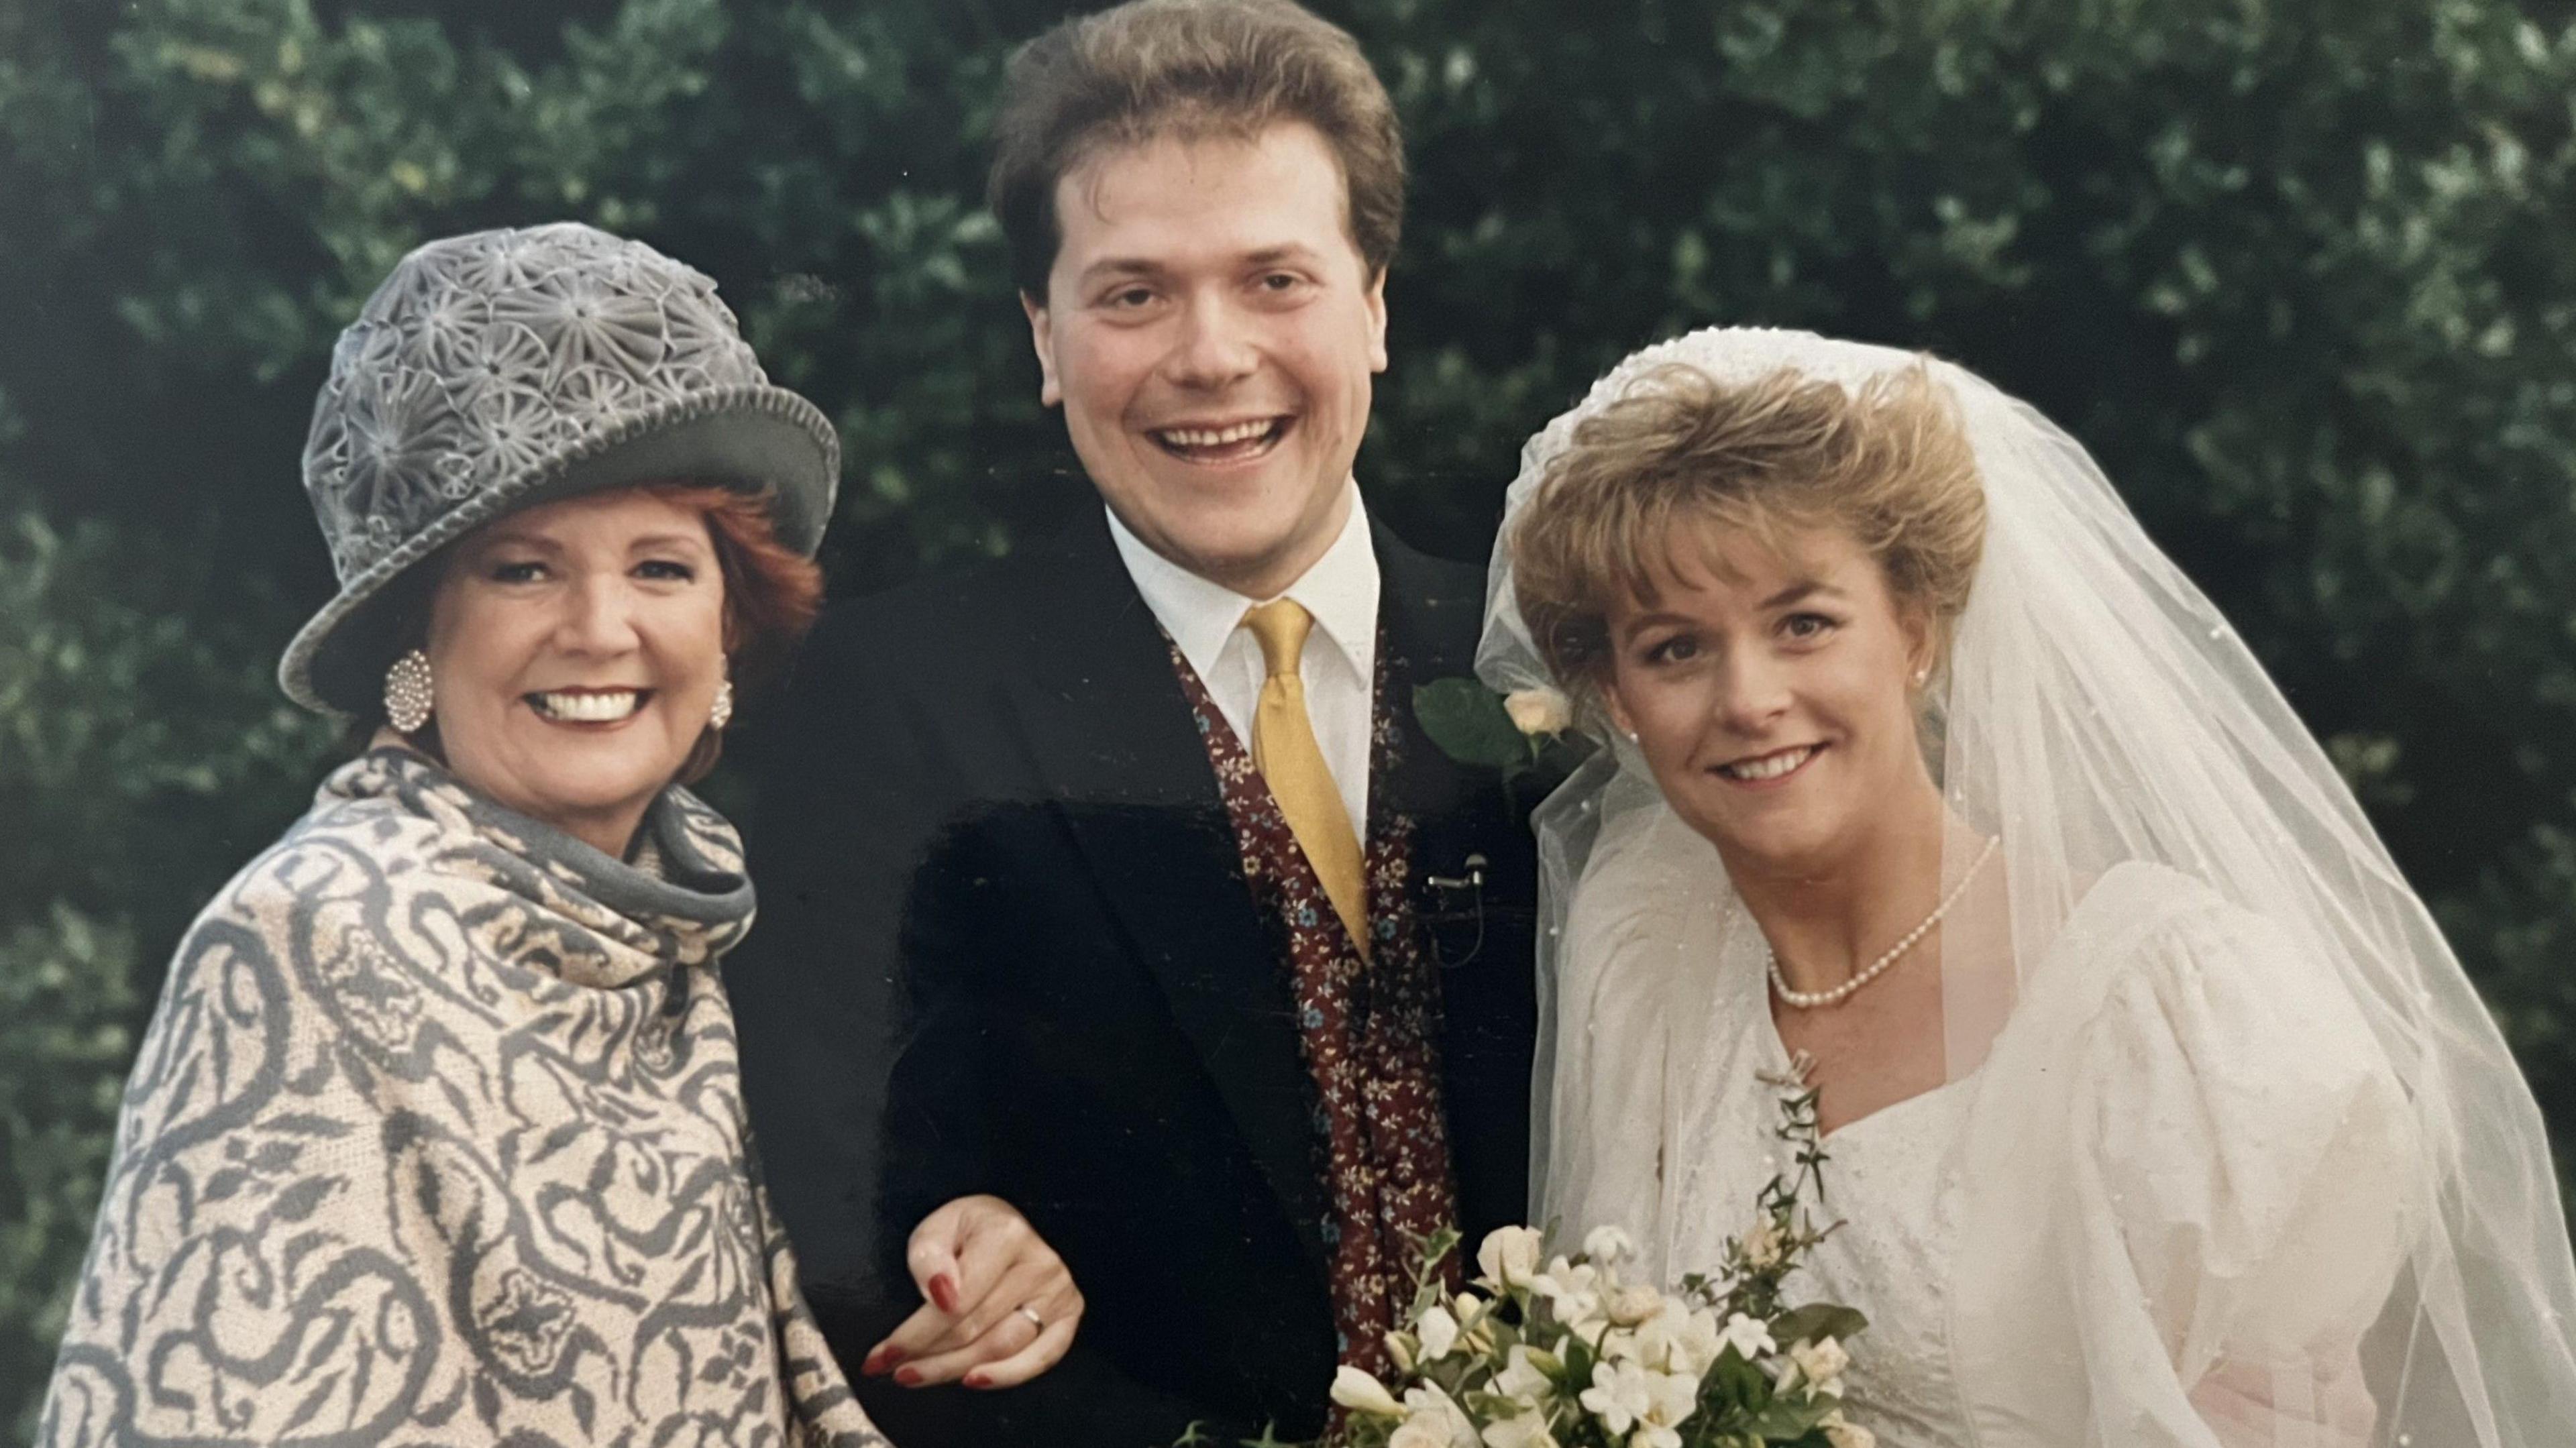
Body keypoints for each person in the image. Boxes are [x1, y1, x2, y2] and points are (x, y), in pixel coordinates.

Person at [36, 222, 1073, 1447]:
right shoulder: (310, 940)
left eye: (661, 568)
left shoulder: (703, 934)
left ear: (730, 629)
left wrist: (999, 1264)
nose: (599, 627)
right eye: (524, 570)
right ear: (416, 641)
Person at [1483, 325, 2576, 1445]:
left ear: (1914, 632)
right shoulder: (1643, 954)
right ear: (1616, 698)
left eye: (1804, 623)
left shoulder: (2186, 1017)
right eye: (1675, 649)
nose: (1749, 698)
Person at [724, 2, 1543, 1442]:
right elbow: (855, 1240)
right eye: (1133, 295)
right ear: (1044, 337)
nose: (1211, 355)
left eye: (1274, 278)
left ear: (1375, 306)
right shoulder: (888, 708)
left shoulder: (1546, 666)